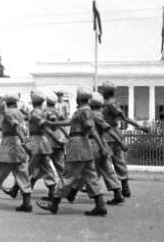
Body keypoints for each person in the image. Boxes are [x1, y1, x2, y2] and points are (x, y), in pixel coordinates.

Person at [36, 85, 110, 216]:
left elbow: (91, 128)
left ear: (78, 98)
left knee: (68, 175)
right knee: (91, 176)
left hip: (78, 146)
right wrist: (52, 124)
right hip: (84, 145)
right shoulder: (83, 110)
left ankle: (54, 203)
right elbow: (70, 123)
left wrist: (102, 147)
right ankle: (100, 205)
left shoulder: (84, 111)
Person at [66, 92, 126, 205]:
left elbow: (106, 129)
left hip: (93, 146)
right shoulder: (100, 114)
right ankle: (118, 193)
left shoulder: (93, 115)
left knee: (85, 171)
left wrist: (120, 142)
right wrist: (120, 143)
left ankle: (72, 193)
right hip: (102, 145)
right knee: (108, 171)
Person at [101, 80, 149, 198]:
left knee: (105, 163)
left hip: (108, 135)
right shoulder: (112, 102)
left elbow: (124, 117)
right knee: (119, 162)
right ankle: (125, 189)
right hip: (115, 134)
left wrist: (140, 126)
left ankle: (117, 191)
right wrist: (140, 127)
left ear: (106, 92)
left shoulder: (109, 104)